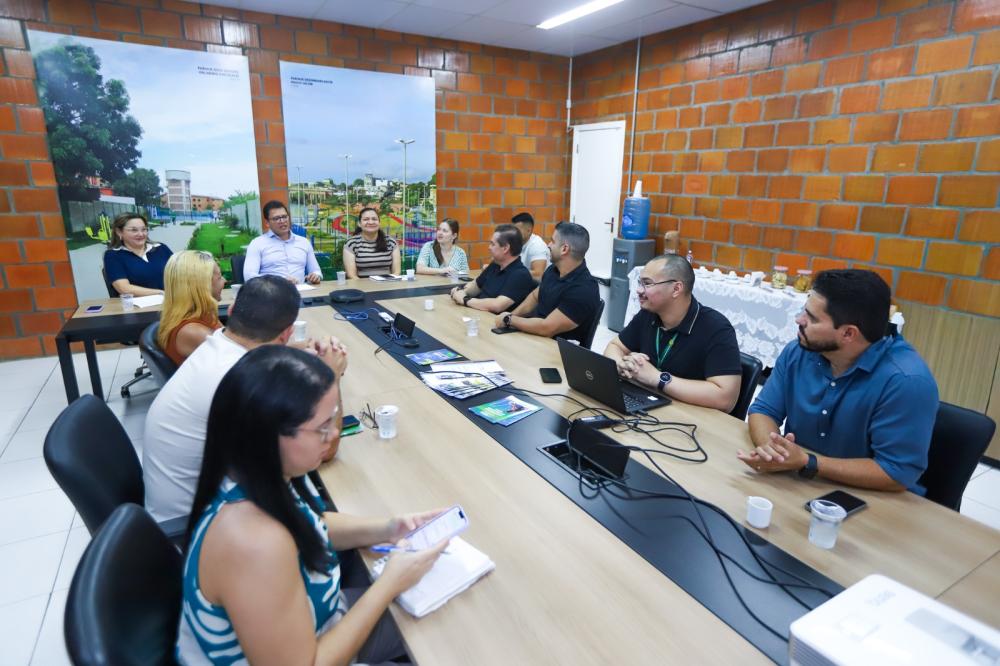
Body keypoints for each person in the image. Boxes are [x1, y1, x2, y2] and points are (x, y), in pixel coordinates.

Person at [177, 345, 447, 665]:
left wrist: (387, 528)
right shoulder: (254, 544)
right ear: (269, 434)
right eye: (322, 428)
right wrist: (389, 584)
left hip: (317, 620)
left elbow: (309, 524)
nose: (333, 435)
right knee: (446, 633)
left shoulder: (254, 471)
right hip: (314, 647)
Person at [143, 275, 348, 523]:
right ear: (287, 333)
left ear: (231, 311)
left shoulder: (215, 346)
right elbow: (325, 451)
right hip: (199, 525)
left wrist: (300, 350)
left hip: (183, 504)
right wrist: (332, 377)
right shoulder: (240, 380)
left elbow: (264, 352)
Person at [740, 269, 939, 493]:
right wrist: (774, 451)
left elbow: (896, 472)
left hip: (872, 501)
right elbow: (764, 410)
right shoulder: (799, 351)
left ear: (848, 334)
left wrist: (808, 462)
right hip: (802, 485)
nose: (799, 320)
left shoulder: (905, 381)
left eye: (812, 318)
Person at [604, 254, 741, 411]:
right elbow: (615, 346)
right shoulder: (648, 314)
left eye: (647, 284)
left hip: (691, 417)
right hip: (650, 405)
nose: (639, 290)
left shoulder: (716, 328)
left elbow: (725, 399)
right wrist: (622, 364)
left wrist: (658, 378)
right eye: (640, 283)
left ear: (676, 289)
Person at [493, 221, 600, 345]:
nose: (548, 245)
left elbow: (546, 328)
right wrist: (510, 315)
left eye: (553, 241)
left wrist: (509, 319)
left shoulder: (583, 289)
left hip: (555, 351)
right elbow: (535, 296)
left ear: (564, 249)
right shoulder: (553, 270)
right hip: (534, 338)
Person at [157, 251, 225, 366]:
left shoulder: (202, 313)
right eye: (219, 277)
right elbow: (241, 360)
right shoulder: (193, 332)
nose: (224, 281)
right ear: (203, 286)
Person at [450, 223, 534, 314]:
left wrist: (465, 300)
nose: (489, 247)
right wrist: (461, 291)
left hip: (492, 323)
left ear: (505, 248)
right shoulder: (495, 264)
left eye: (492, 244)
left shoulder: (520, 275)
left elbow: (497, 305)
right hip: (476, 314)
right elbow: (476, 286)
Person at [244, 200, 323, 284]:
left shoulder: (303, 242)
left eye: (284, 217)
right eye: (276, 218)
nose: (282, 221)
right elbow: (249, 276)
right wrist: (279, 282)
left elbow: (316, 271)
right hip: (271, 293)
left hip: (301, 292)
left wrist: (315, 276)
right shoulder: (257, 243)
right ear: (267, 223)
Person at [103, 212, 173, 296]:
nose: (141, 234)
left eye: (144, 229)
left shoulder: (161, 248)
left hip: (169, 303)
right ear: (119, 232)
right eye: (134, 230)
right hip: (136, 308)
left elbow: (180, 273)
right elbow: (124, 288)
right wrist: (160, 293)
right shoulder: (113, 255)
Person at [344, 207, 401, 278]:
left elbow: (397, 272)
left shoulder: (391, 242)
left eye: (374, 219)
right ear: (359, 223)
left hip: (388, 284)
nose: (371, 222)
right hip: (361, 286)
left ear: (379, 223)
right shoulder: (351, 244)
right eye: (366, 219)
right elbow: (351, 275)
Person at [511, 212, 549, 280]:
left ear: (529, 230)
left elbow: (538, 275)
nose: (513, 233)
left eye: (517, 230)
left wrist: (511, 271)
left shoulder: (537, 245)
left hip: (539, 288)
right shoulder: (516, 242)